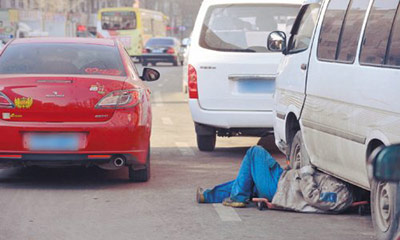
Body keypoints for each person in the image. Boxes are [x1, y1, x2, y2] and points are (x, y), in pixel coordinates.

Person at [197, 146, 353, 213]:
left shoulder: (342, 195)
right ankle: (209, 195)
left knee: (255, 152)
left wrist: (305, 174)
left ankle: (238, 197)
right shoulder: (339, 183)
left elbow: (314, 197)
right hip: (283, 181)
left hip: (279, 189)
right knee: (248, 180)